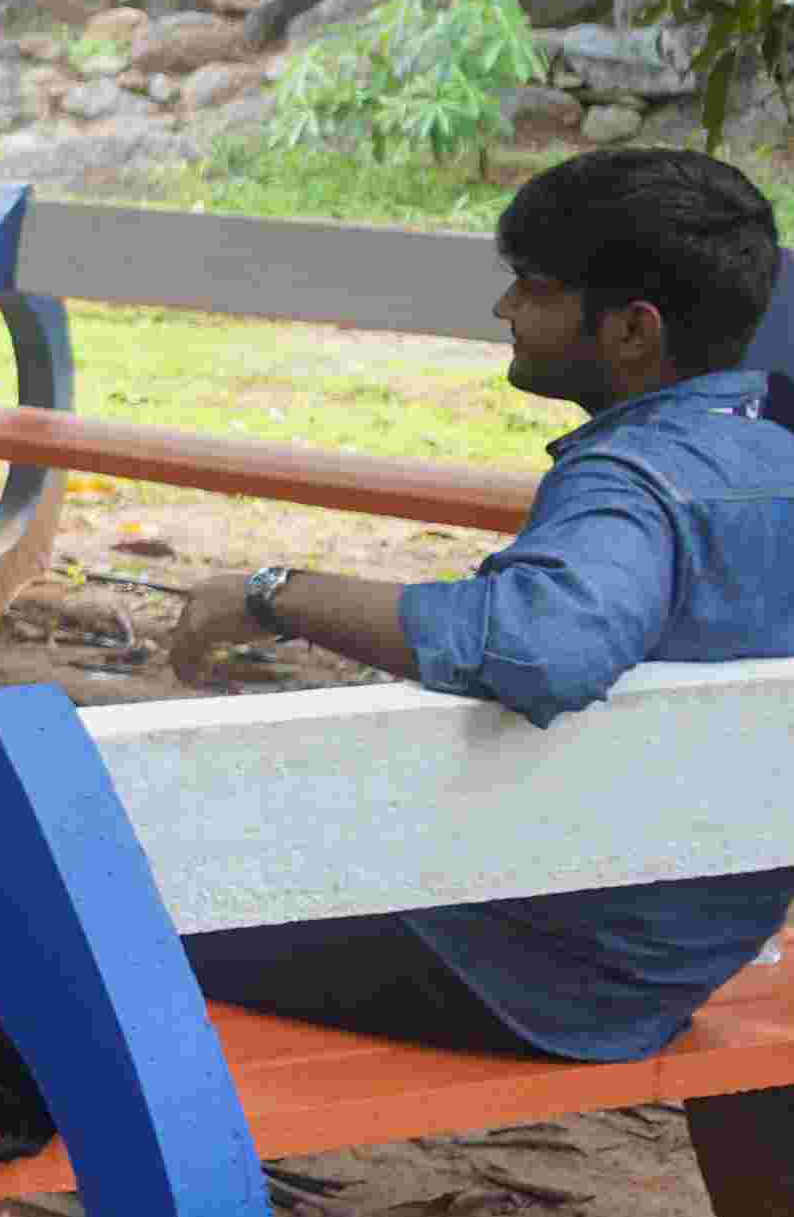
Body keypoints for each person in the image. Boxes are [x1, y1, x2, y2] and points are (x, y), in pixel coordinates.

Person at [160, 146, 794, 1061]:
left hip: (523, 964)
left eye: (532, 288)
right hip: (677, 941)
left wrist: (272, 597)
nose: (504, 310)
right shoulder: (771, 458)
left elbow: (542, 645)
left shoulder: (636, 482)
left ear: (632, 330)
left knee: (54, 898)